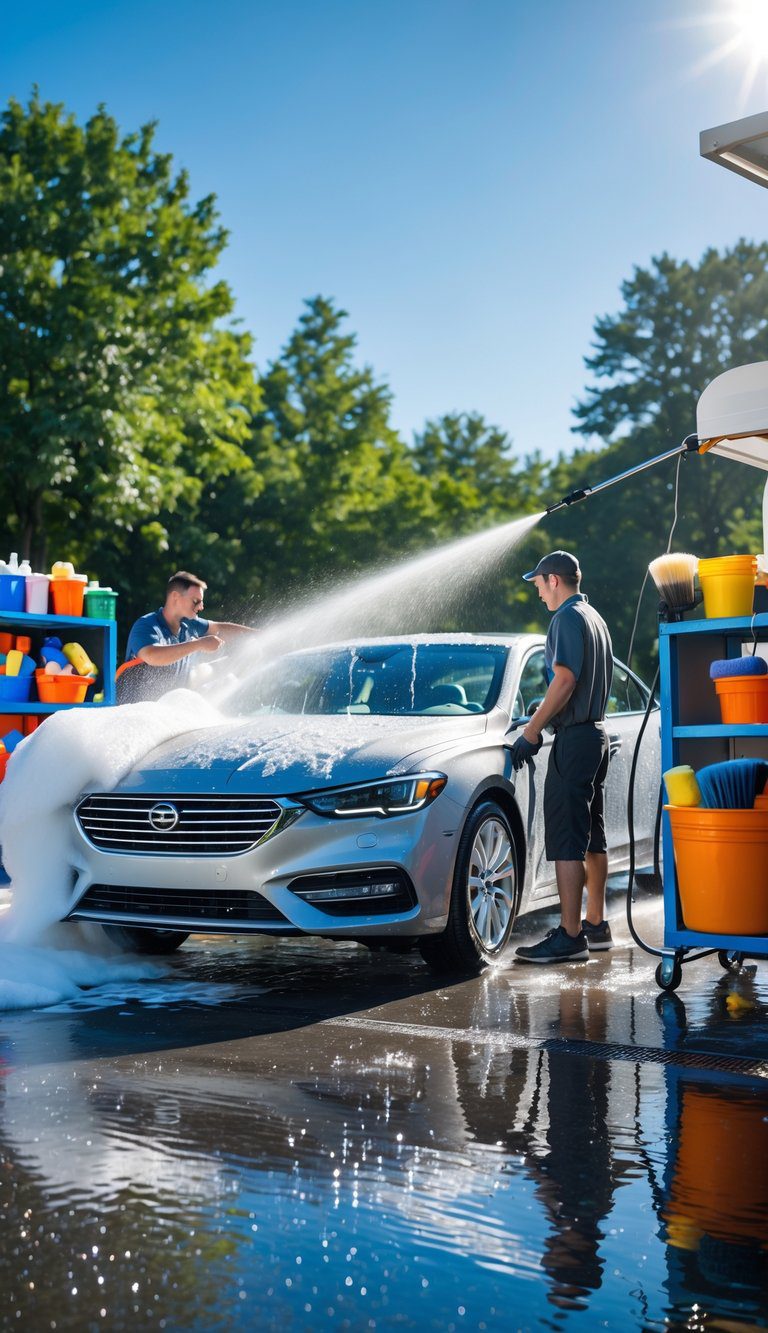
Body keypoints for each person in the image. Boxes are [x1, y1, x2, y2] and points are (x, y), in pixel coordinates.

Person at [508, 550, 614, 964]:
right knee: (592, 833)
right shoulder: (594, 617)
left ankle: (570, 937)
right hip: (597, 735)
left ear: (554, 580)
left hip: (574, 740)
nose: (538, 594)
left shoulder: (566, 618)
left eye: (538, 584)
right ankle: (595, 924)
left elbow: (565, 679)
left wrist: (531, 731)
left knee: (567, 838)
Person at [117, 570, 256, 703]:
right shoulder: (146, 625)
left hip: (168, 712)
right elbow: (152, 656)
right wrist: (198, 644)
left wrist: (261, 635)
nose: (201, 607)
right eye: (196, 601)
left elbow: (219, 628)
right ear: (175, 597)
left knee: (229, 679)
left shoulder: (190, 623)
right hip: (133, 715)